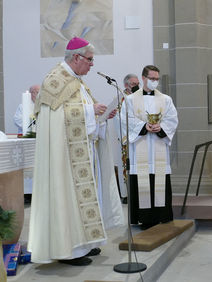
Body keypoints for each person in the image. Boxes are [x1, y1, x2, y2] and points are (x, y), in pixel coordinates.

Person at [28, 37, 125, 266]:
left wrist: (101, 116)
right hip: (64, 159)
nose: (92, 64)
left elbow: (81, 113)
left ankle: (84, 244)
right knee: (67, 199)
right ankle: (69, 251)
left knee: (83, 201)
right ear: (76, 57)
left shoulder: (77, 81)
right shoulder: (55, 81)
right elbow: (57, 118)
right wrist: (91, 111)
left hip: (82, 152)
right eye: (90, 59)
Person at [121, 65, 178, 229]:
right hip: (141, 145)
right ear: (144, 78)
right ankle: (145, 219)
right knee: (142, 181)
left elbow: (172, 119)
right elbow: (125, 119)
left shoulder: (166, 99)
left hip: (158, 146)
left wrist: (162, 128)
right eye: (152, 79)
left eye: (156, 79)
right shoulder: (131, 99)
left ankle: (162, 216)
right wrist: (143, 127)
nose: (155, 82)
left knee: (160, 181)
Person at [113, 73, 141, 204]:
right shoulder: (121, 99)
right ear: (126, 85)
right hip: (127, 139)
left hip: (140, 138)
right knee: (126, 165)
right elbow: (119, 119)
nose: (136, 86)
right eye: (133, 84)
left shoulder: (140, 98)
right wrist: (130, 135)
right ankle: (127, 194)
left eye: (137, 84)